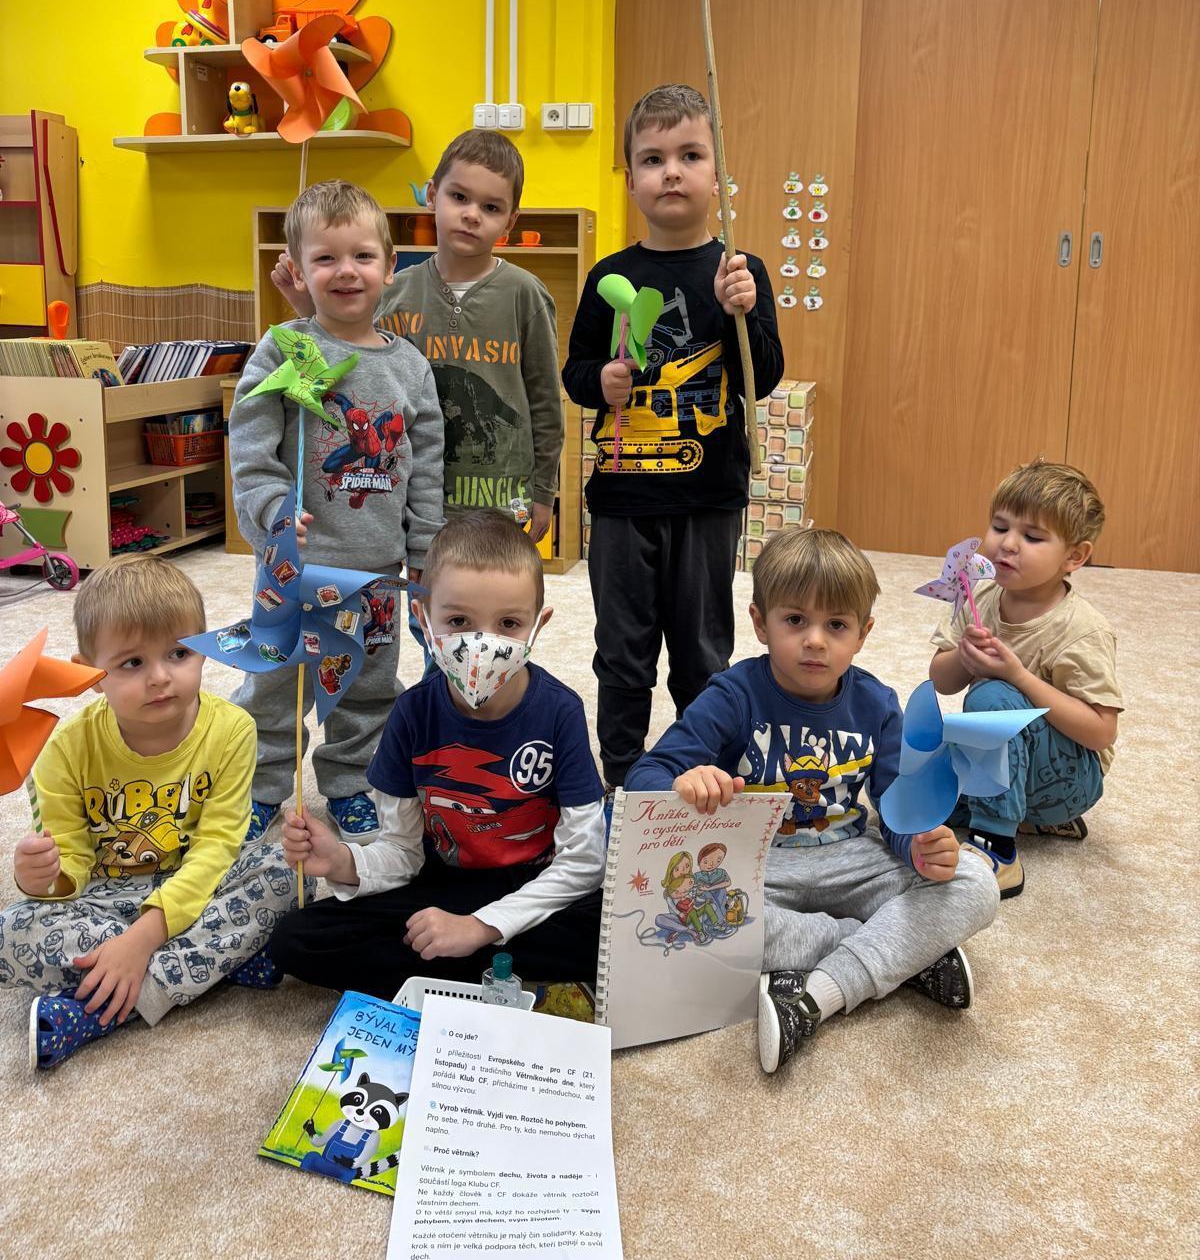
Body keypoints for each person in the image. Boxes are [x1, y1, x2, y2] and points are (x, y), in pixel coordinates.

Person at [625, 526, 999, 1075]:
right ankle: (898, 954)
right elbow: (644, 777)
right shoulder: (732, 695)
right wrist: (686, 783)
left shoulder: (877, 703)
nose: (816, 640)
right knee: (681, 916)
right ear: (761, 623)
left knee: (975, 882)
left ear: (863, 633)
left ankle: (819, 988)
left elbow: (896, 804)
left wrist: (919, 845)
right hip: (757, 866)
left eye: (836, 625)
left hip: (852, 859)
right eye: (795, 620)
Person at [268, 510, 606, 999]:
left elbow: (583, 863)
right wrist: (342, 861)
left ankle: (459, 963)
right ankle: (493, 972)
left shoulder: (560, 711)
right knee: (297, 939)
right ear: (424, 619)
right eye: (459, 621)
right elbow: (401, 853)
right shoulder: (412, 713)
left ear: (538, 625)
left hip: (534, 883)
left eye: (508, 623)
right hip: (442, 880)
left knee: (616, 929)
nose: (482, 644)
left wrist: (481, 927)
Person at [562, 83, 785, 789]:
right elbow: (575, 372)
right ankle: (622, 779)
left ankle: (703, 770)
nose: (672, 172)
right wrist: (602, 380)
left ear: (718, 176)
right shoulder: (609, 276)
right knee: (621, 650)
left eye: (690, 155)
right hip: (623, 495)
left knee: (702, 652)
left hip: (707, 496)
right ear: (631, 180)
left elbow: (761, 379)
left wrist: (742, 313)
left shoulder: (740, 271)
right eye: (653, 159)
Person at [0, 559, 301, 1070]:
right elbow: (72, 861)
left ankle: (98, 1008)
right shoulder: (65, 747)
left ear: (204, 648)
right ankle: (215, 965)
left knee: (289, 873)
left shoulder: (233, 730)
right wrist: (43, 879)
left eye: (179, 653)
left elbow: (216, 850)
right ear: (90, 674)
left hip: (198, 886)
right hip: (104, 898)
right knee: (12, 929)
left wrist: (142, 941)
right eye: (132, 663)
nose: (160, 677)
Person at [230, 179, 444, 842]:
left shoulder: (411, 368)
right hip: (293, 562)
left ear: (390, 266)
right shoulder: (283, 348)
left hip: (376, 567)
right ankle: (262, 785)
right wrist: (270, 508)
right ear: (298, 271)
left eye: (362, 256)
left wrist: (424, 551)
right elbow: (250, 443)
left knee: (367, 684)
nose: (346, 271)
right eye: (325, 258)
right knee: (276, 681)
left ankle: (352, 780)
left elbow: (426, 467)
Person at [271, 131, 563, 549]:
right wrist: (306, 305)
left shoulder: (526, 294)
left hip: (501, 497)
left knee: (496, 588)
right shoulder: (393, 290)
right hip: (412, 497)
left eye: (491, 207)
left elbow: (545, 401)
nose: (472, 215)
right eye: (459, 197)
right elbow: (349, 355)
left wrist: (544, 491)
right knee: (427, 589)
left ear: (510, 221)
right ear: (431, 195)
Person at [929, 459, 1122, 899]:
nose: (1008, 544)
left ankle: (998, 847)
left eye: (1033, 537)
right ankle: (1028, 817)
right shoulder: (977, 592)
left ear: (1075, 556)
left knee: (993, 696)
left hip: (1070, 778)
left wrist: (1016, 675)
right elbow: (941, 682)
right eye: (1000, 527)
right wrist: (964, 657)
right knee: (906, 788)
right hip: (999, 760)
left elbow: (1101, 731)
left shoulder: (1082, 630)